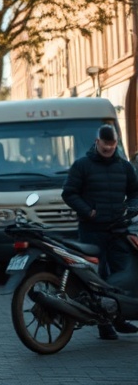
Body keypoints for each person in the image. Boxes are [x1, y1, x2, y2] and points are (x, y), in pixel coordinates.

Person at [61, 123, 138, 340]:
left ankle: (119, 318)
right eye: (105, 145)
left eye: (112, 146)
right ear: (97, 142)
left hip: (118, 230)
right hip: (92, 231)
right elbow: (69, 193)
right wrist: (88, 212)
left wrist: (132, 207)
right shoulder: (82, 166)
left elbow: (135, 192)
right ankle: (104, 325)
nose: (108, 149)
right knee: (98, 277)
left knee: (121, 276)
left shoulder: (124, 167)